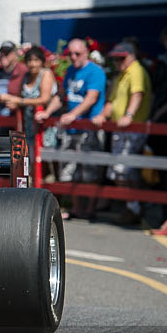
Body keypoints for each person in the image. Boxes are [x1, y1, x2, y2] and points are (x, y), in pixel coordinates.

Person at [90, 42, 152, 224]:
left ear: (132, 56)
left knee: (123, 170)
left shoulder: (136, 71)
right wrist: (102, 115)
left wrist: (129, 115)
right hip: (120, 130)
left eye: (121, 58)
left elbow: (137, 94)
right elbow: (111, 100)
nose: (118, 62)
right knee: (121, 171)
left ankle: (135, 207)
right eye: (115, 59)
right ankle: (133, 206)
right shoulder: (121, 75)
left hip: (132, 129)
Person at [57, 38, 107, 219]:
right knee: (71, 170)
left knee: (90, 171)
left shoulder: (95, 72)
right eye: (70, 54)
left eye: (77, 53)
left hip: (88, 129)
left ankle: (90, 209)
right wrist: (47, 112)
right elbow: (62, 97)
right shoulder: (70, 71)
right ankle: (77, 208)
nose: (73, 57)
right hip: (71, 130)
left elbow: (91, 98)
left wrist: (73, 115)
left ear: (86, 52)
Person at [0, 46, 58, 160]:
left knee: (46, 158)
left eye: (36, 60)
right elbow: (22, 97)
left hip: (44, 124)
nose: (32, 64)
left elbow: (44, 99)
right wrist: (15, 103)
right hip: (29, 124)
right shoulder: (26, 76)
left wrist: (19, 101)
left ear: (42, 62)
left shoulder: (46, 74)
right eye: (30, 60)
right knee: (29, 158)